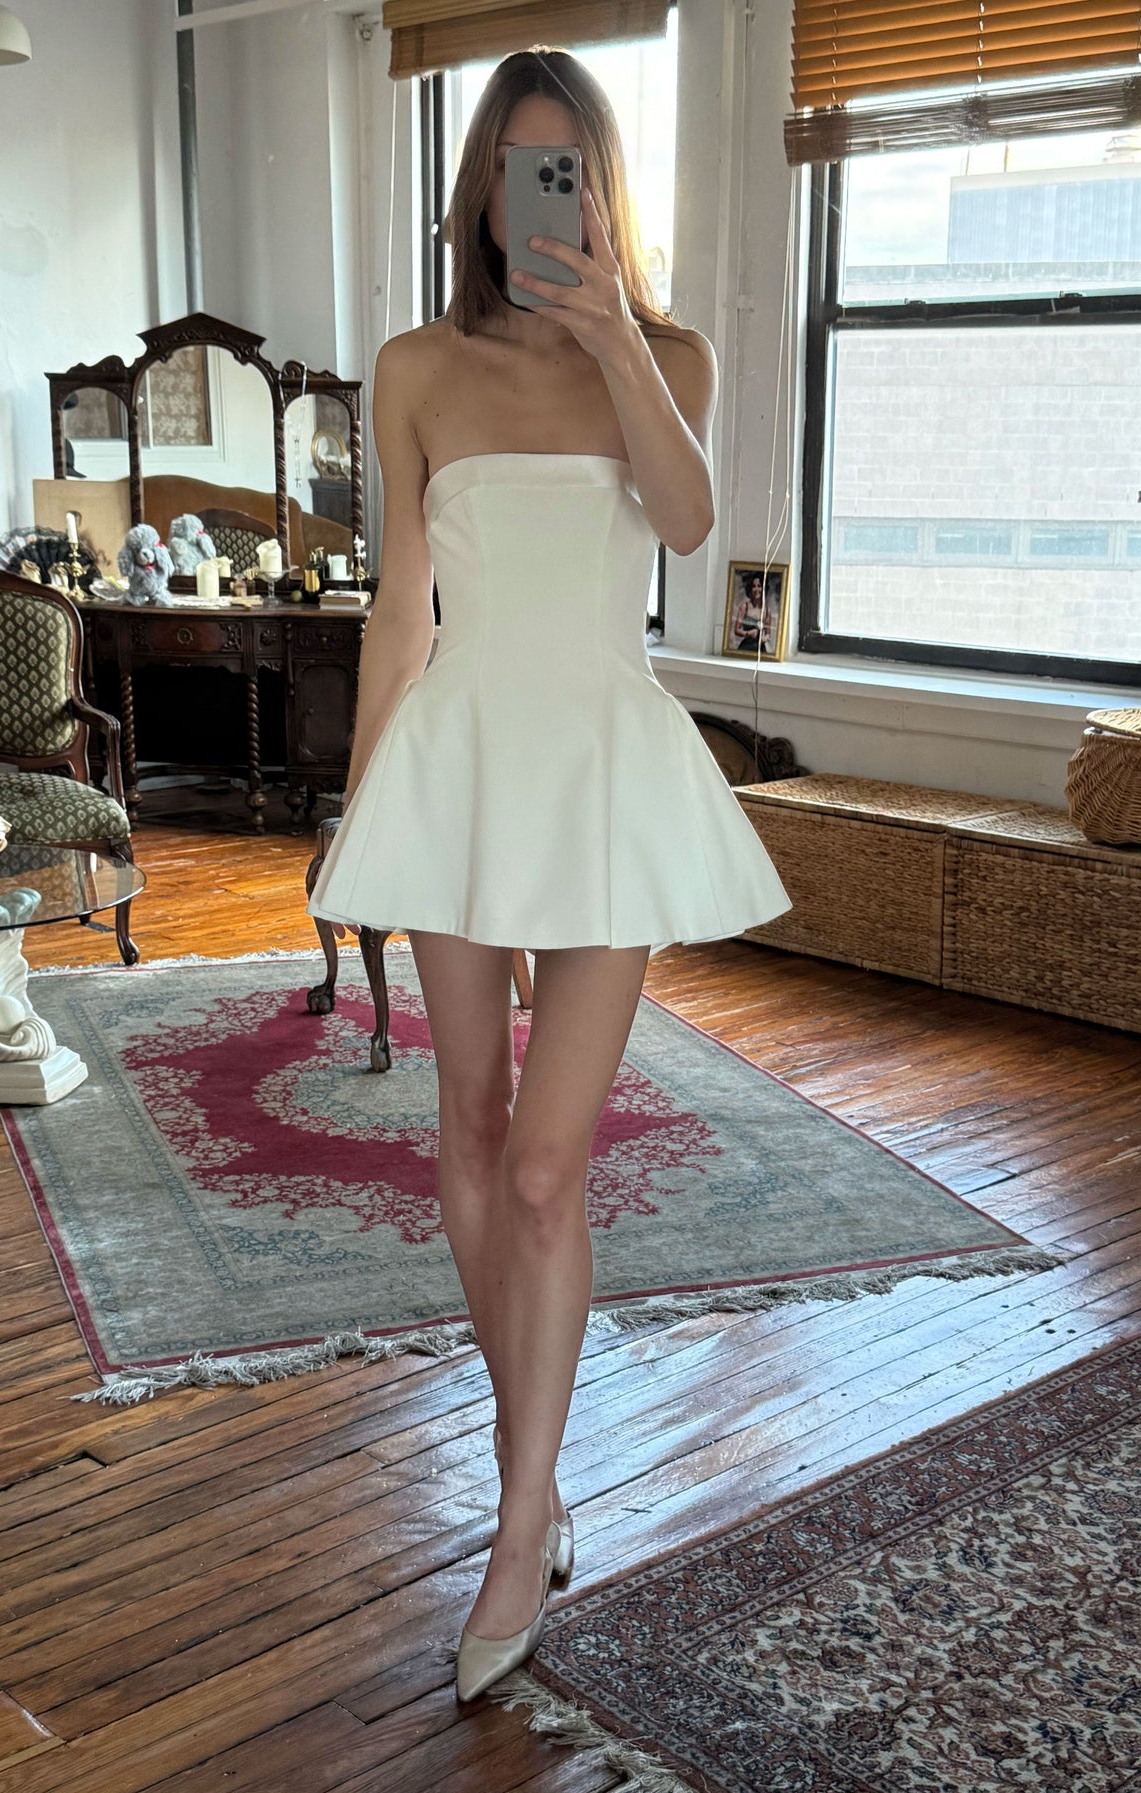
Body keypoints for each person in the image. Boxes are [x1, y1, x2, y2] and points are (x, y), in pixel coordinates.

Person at [307, 45, 792, 1701]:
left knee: (540, 1170)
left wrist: (615, 344)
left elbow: (688, 525)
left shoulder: (671, 354)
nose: (541, 197)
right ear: (481, 189)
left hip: (601, 769)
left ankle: (518, 1527)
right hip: (456, 768)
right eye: (517, 167)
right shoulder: (413, 368)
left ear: (599, 186)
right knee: (466, 1129)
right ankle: (541, 1469)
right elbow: (401, 606)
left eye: (565, 166)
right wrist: (361, 819)